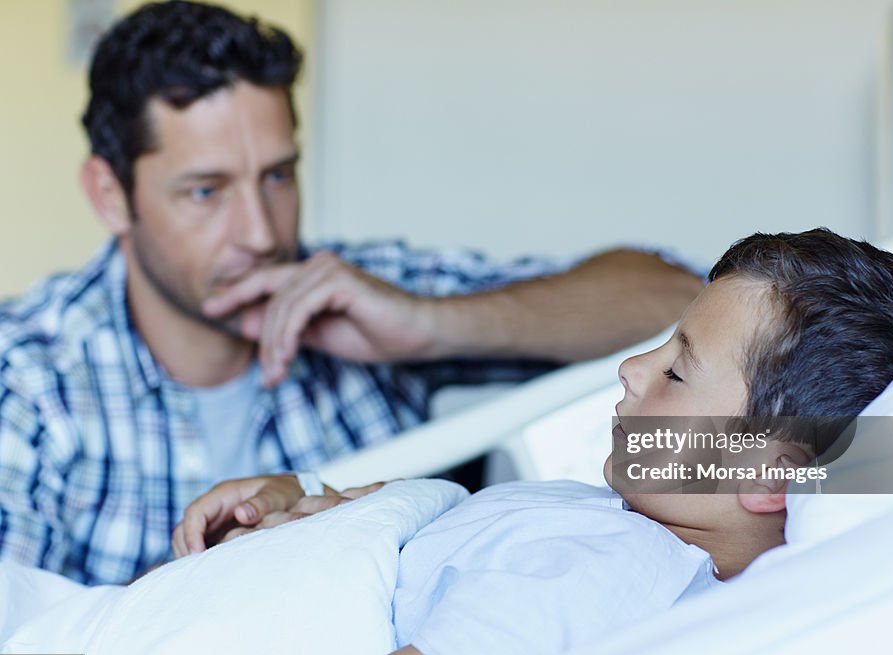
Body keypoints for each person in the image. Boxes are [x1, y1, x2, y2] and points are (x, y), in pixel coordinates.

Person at [0, 1, 702, 585]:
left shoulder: (358, 290)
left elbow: (690, 302)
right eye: (206, 191)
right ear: (109, 195)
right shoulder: (26, 373)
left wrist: (431, 326)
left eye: (277, 176)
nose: (258, 231)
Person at [99, 228, 893, 655]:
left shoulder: (614, 565)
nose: (630, 369)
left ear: (771, 473)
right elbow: (440, 540)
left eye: (674, 369)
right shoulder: (607, 514)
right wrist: (311, 499)